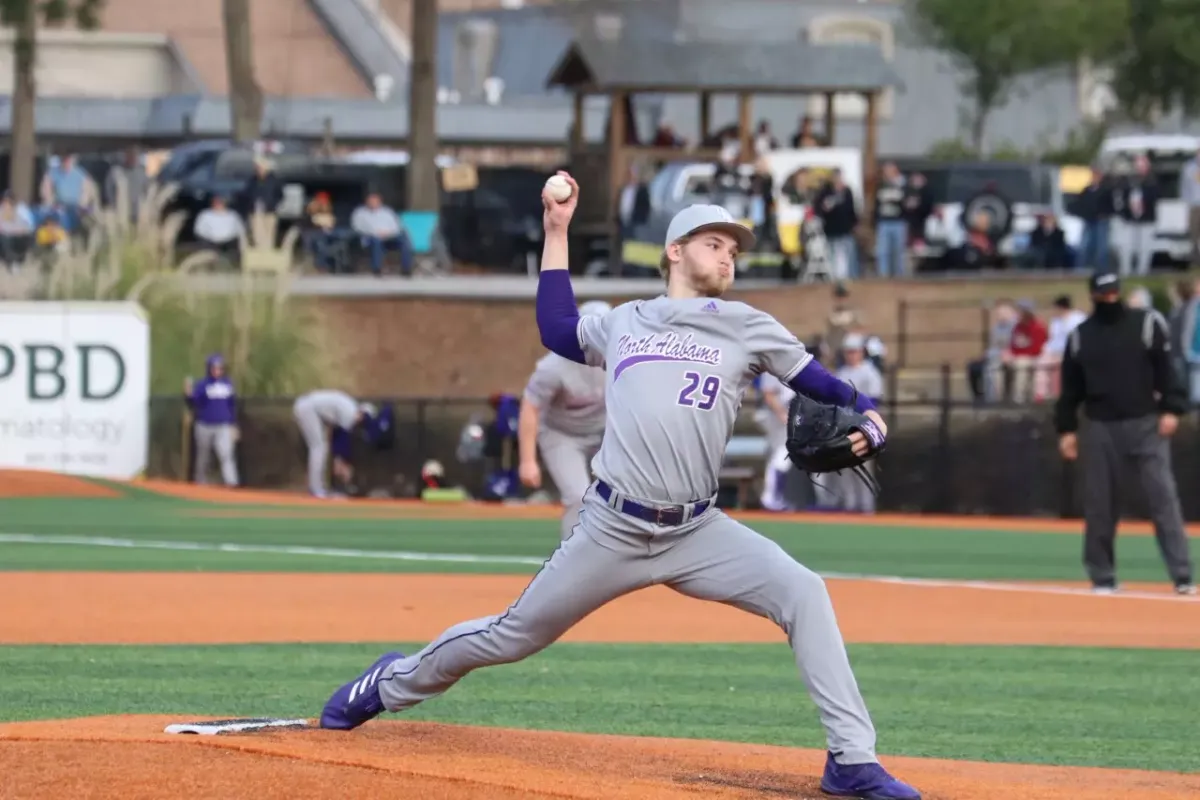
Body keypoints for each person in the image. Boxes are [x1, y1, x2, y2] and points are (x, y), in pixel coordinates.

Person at [319, 175, 920, 800]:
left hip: (697, 529)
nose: (727, 257)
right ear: (675, 251)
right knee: (513, 635)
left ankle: (851, 759)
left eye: (734, 251)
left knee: (804, 592)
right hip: (611, 527)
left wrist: (872, 415)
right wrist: (557, 231)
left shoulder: (747, 325)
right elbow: (557, 328)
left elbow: (825, 385)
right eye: (715, 243)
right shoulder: (627, 320)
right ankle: (391, 683)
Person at [1055, 272, 1195, 595]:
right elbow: (1071, 390)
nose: (1110, 299)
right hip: (1101, 425)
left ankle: (1182, 575)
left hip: (1145, 421)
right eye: (1104, 294)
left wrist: (1172, 408)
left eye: (1114, 292)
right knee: (1100, 503)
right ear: (1093, 296)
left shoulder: (1146, 324)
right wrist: (1066, 430)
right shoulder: (1081, 336)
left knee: (1163, 498)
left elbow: (1166, 368)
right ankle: (1102, 576)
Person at [518, 300, 611, 540]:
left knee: (624, 493)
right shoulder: (554, 367)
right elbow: (531, 407)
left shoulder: (622, 359)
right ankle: (571, 556)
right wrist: (527, 461)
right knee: (578, 496)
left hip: (605, 432)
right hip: (562, 435)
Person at [293, 389, 378, 499]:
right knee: (319, 448)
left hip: (308, 407)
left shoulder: (349, 410)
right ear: (361, 412)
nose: (361, 422)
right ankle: (316, 489)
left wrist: (340, 461)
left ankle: (318, 487)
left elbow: (336, 441)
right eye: (364, 418)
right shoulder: (350, 413)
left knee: (320, 447)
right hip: (307, 408)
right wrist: (342, 464)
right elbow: (342, 443)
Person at [834, 334, 885, 513]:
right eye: (848, 351)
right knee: (846, 468)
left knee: (863, 467)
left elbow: (874, 401)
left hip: (864, 426)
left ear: (861, 352)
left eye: (854, 351)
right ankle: (850, 507)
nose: (851, 355)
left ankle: (866, 508)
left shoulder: (869, 372)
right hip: (844, 426)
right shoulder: (841, 372)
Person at [184, 354, 239, 487]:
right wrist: (188, 394)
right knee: (203, 456)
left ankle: (231, 483)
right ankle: (200, 482)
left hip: (223, 425)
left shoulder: (228, 384)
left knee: (226, 454)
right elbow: (193, 403)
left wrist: (233, 424)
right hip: (205, 425)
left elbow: (232, 405)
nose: (217, 371)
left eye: (219, 368)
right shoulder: (202, 385)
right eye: (214, 368)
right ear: (209, 369)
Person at [752, 372, 796, 512]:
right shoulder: (773, 367)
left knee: (780, 456)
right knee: (781, 455)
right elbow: (768, 394)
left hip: (785, 415)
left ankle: (773, 497)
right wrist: (782, 414)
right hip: (774, 416)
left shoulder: (792, 365)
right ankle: (770, 498)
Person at [1037, 295, 1086, 401]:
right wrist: (1046, 350)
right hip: (1054, 352)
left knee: (1060, 366)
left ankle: (1059, 395)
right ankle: (1041, 394)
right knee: (1042, 363)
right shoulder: (1056, 321)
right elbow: (1052, 340)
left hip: (1071, 353)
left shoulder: (1078, 319)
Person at [1116, 155, 1158, 277]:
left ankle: (1142, 271)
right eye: (1138, 165)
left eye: (1143, 165)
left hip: (1146, 219)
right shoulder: (1128, 181)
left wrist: (1142, 201)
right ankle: (1126, 271)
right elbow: (1122, 197)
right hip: (1130, 219)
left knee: (1145, 247)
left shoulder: (1152, 181)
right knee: (1127, 246)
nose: (1140, 168)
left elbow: (1154, 197)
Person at [872, 162, 907, 277]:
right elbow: (877, 203)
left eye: (889, 171)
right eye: (885, 171)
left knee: (898, 251)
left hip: (898, 221)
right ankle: (883, 275)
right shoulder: (881, 186)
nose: (887, 173)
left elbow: (905, 202)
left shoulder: (902, 184)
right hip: (883, 222)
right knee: (883, 251)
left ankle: (899, 275)